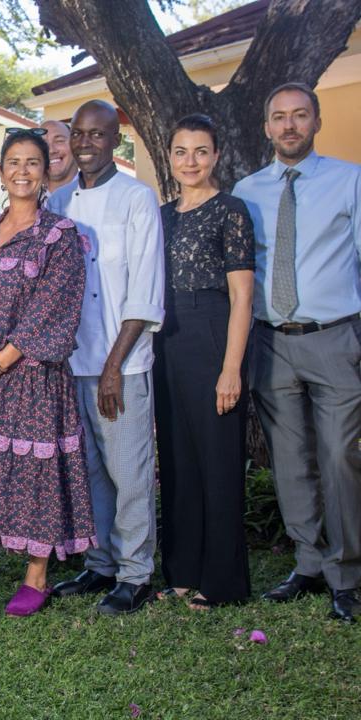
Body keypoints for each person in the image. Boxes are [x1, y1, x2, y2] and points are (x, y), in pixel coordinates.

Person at [0, 129, 96, 615]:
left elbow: (52, 307)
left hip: (30, 373)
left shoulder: (60, 235)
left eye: (33, 163)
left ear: (45, 172)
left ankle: (37, 575)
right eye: (13, 162)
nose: (22, 171)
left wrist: (1, 359)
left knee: (36, 472)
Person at [233, 82, 361, 624]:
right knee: (290, 461)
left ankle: (347, 573)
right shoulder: (247, 189)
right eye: (279, 117)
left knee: (340, 457)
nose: (289, 126)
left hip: (334, 336)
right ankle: (308, 563)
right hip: (271, 341)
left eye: (299, 115)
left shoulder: (350, 180)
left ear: (316, 121)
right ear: (267, 126)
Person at [47, 100, 165, 616]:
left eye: (98, 134)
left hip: (122, 365)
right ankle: (100, 564)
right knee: (89, 470)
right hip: (71, 363)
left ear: (116, 140)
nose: (87, 142)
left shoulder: (137, 199)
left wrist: (115, 366)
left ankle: (135, 573)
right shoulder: (58, 203)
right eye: (79, 134)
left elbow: (144, 290)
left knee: (128, 471)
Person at [153, 114, 255, 610]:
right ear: (169, 157)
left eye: (200, 151)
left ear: (216, 156)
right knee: (176, 459)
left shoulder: (231, 211)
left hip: (213, 330)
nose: (189, 161)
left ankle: (222, 580)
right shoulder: (161, 214)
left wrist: (231, 367)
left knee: (216, 458)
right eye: (180, 151)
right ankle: (181, 569)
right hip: (165, 337)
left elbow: (242, 298)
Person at [41, 120, 77, 195]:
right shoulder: (30, 200)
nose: (51, 150)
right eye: (43, 144)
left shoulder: (98, 195)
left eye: (59, 141)